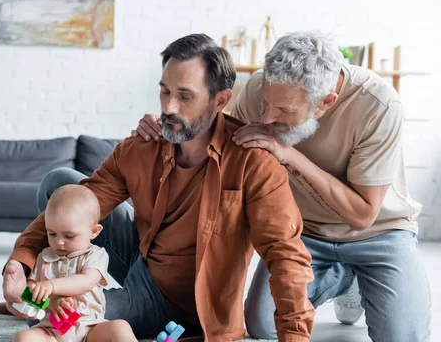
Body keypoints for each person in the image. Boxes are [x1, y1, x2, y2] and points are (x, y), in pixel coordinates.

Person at [0, 33, 315, 342]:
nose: (169, 108)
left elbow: (284, 253)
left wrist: (295, 335)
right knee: (61, 185)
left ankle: (34, 306)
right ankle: (32, 298)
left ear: (221, 100)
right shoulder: (144, 145)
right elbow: (90, 196)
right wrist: (19, 264)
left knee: (64, 321)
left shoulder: (253, 161)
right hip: (142, 261)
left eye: (185, 96)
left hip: (191, 302)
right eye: (165, 92)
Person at [133, 31, 432, 342]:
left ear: (325, 102)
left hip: (379, 232)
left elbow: (363, 215)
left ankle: (359, 280)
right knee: (263, 324)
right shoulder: (259, 89)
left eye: (284, 111)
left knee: (404, 337)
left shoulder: (378, 105)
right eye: (265, 101)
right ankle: (343, 282)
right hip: (305, 233)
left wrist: (289, 155)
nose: (266, 117)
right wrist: (166, 128)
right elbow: (217, 148)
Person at [12, 184, 136, 342]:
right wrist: (50, 303)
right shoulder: (43, 257)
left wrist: (52, 286)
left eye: (69, 236)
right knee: (23, 337)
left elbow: (86, 281)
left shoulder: (96, 255)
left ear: (94, 231)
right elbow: (29, 293)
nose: (59, 242)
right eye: (52, 234)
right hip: (52, 331)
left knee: (120, 327)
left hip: (90, 328)